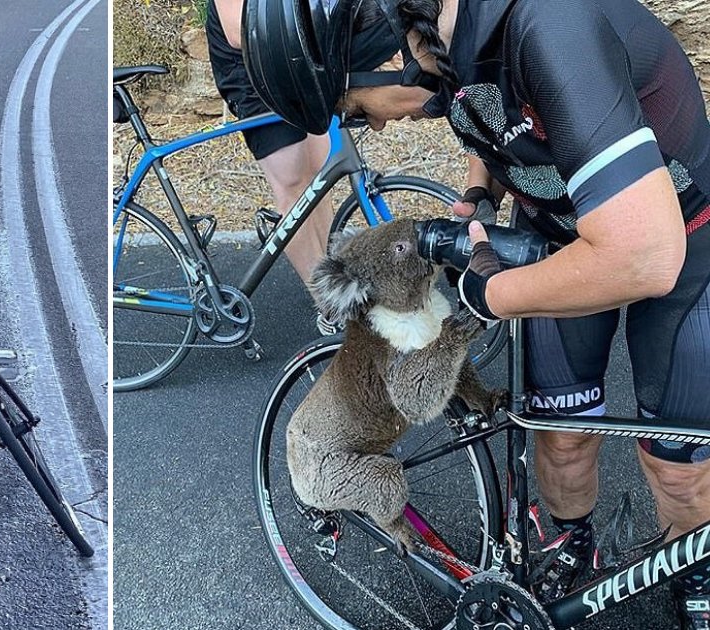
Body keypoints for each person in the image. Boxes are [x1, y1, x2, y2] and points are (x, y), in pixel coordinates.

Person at [244, 0, 710, 626]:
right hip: (556, 236)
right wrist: (479, 190)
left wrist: (484, 298)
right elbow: (490, 120)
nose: (372, 130)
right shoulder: (448, 41)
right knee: (561, 438)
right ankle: (568, 543)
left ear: (385, 59)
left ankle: (694, 572)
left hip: (681, 245)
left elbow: (647, 256)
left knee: (677, 469)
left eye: (353, 111)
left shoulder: (549, 27)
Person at [206, 0, 339, 333]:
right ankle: (329, 304)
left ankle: (329, 275)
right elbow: (238, 32)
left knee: (320, 172)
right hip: (250, 70)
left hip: (292, 61)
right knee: (291, 180)